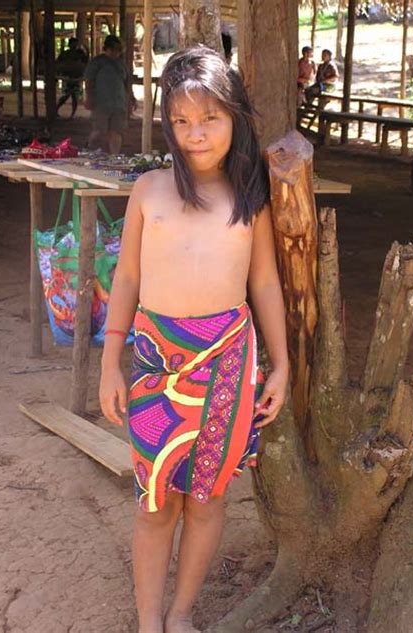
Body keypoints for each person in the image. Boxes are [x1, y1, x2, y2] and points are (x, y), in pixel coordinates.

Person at [99, 46, 289, 633]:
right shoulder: (149, 191)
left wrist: (281, 365)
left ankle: (181, 615)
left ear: (234, 115)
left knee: (207, 500)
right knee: (156, 502)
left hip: (229, 365)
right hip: (156, 365)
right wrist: (111, 364)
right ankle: (148, 619)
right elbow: (126, 277)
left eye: (209, 119)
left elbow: (263, 281)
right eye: (181, 121)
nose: (196, 134)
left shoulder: (250, 199)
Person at [84, 34, 129, 153]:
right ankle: (88, 147)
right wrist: (88, 98)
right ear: (107, 49)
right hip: (101, 103)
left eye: (119, 50)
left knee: (116, 132)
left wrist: (131, 98)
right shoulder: (97, 62)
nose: (116, 53)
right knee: (99, 131)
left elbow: (126, 83)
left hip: (119, 103)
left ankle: (115, 156)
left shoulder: (121, 64)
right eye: (113, 50)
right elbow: (89, 81)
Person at [56, 37, 88, 118]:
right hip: (67, 77)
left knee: (75, 97)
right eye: (73, 44)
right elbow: (58, 63)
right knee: (65, 96)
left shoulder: (80, 53)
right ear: (69, 44)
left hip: (76, 77)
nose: (74, 46)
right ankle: (56, 110)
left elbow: (85, 61)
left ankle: (72, 114)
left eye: (75, 44)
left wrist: (87, 51)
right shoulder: (65, 54)